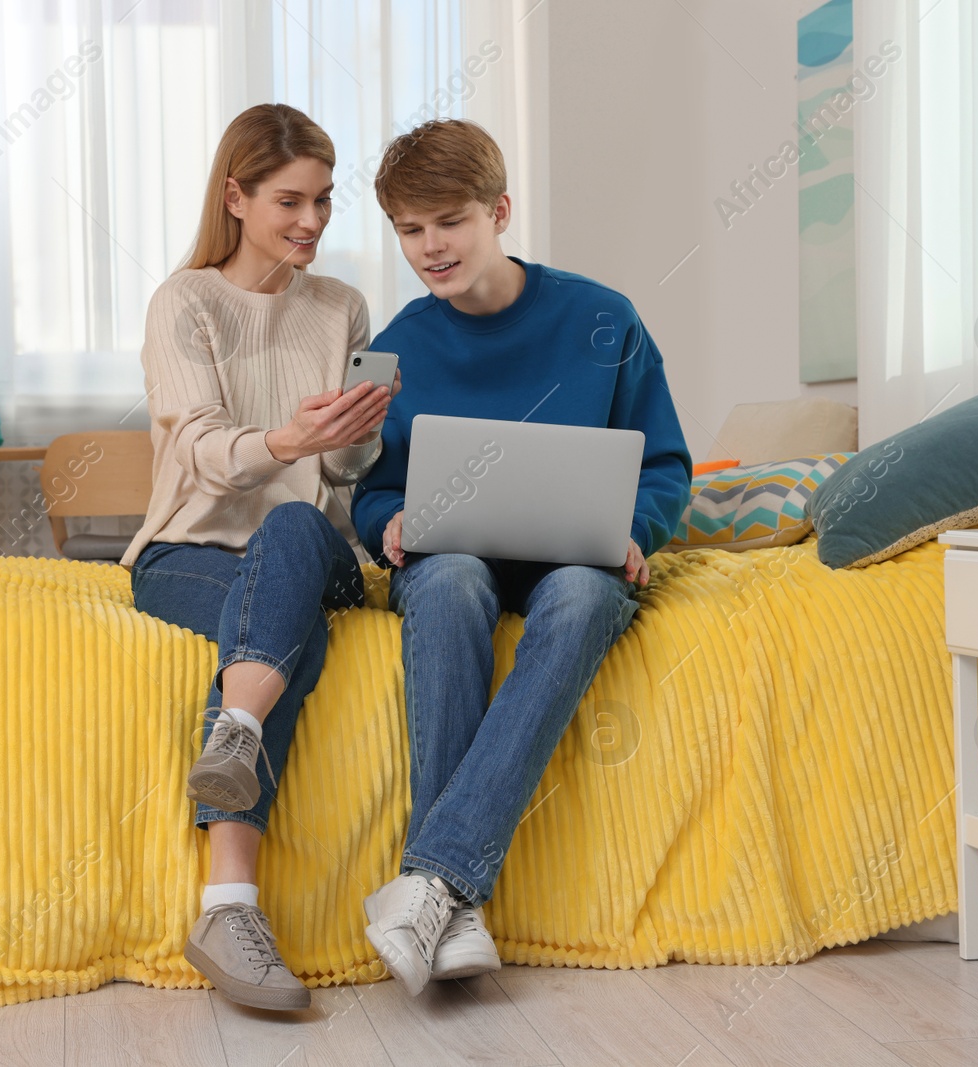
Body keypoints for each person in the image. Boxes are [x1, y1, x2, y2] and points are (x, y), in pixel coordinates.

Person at [350, 119, 692, 995]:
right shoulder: (402, 342)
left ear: (499, 211)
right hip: (453, 556)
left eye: (450, 222)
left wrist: (635, 531)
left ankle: (431, 882)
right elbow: (374, 489)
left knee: (582, 594)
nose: (431, 247)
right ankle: (453, 901)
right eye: (410, 230)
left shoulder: (602, 317)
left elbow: (664, 466)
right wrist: (388, 523)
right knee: (452, 576)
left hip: (574, 559)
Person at [121, 103, 397, 1012]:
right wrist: (285, 440)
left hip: (308, 545)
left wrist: (356, 441)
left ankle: (230, 742)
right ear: (235, 196)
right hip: (185, 553)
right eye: (290, 200)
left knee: (288, 536)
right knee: (283, 633)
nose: (312, 221)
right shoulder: (185, 302)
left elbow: (346, 479)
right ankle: (230, 902)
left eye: (323, 200)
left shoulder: (343, 306)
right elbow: (200, 449)